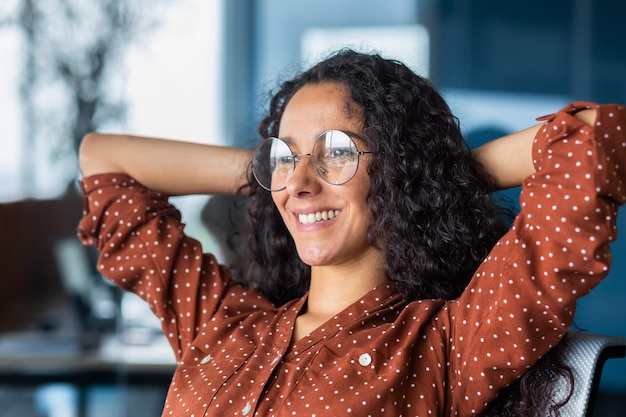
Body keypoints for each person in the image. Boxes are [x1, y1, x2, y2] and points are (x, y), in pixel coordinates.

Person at [77, 49, 625, 416]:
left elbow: (593, 138)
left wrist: (432, 173)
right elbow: (104, 163)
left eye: (337, 152)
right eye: (286, 156)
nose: (301, 183)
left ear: (397, 170)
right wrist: (272, 173)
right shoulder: (223, 324)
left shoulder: (447, 345)